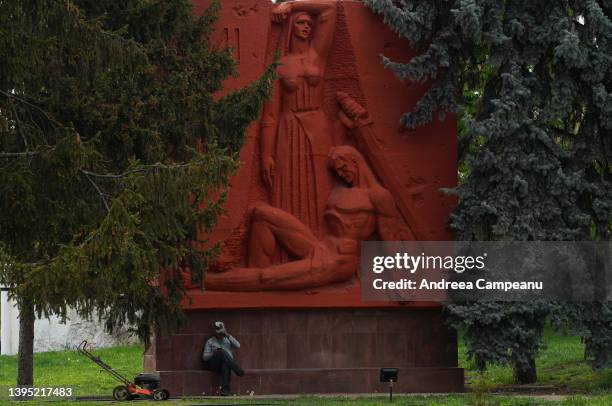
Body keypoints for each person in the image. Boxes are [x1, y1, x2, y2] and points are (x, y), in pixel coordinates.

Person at [205, 145, 416, 291]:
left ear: (356, 161)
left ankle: (206, 282)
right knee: (262, 213)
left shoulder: (379, 196)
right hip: (318, 248)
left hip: (339, 262)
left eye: (343, 168)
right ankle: (250, 280)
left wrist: (401, 283)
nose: (342, 174)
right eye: (337, 171)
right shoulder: (340, 190)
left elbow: (391, 240)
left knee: (267, 277)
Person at [260, 1, 337, 236]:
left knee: (321, 186)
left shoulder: (317, 56)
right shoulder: (278, 66)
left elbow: (330, 9)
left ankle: (323, 242)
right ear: (290, 28)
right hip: (289, 128)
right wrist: (266, 155)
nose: (307, 27)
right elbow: (270, 115)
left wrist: (291, 5)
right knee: (289, 187)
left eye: (309, 23)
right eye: (301, 22)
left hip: (317, 126)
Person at [202, 321, 244, 396]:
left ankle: (225, 391)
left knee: (226, 364)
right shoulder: (210, 341)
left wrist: (227, 335)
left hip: (226, 364)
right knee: (221, 352)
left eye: (221, 333)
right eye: (218, 333)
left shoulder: (228, 339)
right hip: (214, 365)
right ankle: (236, 369)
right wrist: (214, 353)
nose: (219, 335)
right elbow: (204, 357)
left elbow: (238, 346)